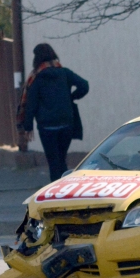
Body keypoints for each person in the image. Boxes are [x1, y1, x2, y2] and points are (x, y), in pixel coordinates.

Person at [17, 44, 89, 182]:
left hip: (47, 126)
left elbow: (31, 103)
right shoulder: (65, 73)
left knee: (53, 161)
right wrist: (72, 97)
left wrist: (27, 126)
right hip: (66, 123)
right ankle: (65, 189)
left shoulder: (36, 78)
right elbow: (84, 85)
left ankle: (55, 191)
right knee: (62, 159)